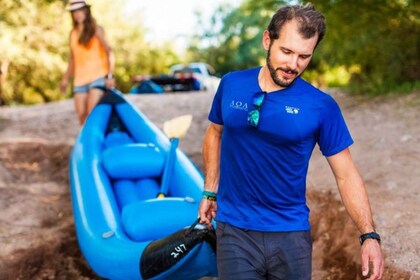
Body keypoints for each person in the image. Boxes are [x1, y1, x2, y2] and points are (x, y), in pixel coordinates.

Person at [198, 3, 384, 280]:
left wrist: (368, 235)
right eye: (286, 52)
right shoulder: (231, 84)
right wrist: (210, 190)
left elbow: (346, 174)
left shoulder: (321, 106)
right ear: (267, 40)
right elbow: (215, 132)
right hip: (234, 230)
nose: (293, 65)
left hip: (290, 235)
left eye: (303, 56)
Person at [60, 0, 115, 125]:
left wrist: (110, 75)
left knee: (92, 113)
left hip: (98, 76)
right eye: (74, 12)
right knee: (81, 115)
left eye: (80, 11)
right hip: (80, 80)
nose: (77, 14)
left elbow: (109, 52)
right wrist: (65, 79)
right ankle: (87, 143)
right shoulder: (73, 34)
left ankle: (96, 141)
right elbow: (73, 59)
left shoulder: (97, 29)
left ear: (86, 11)